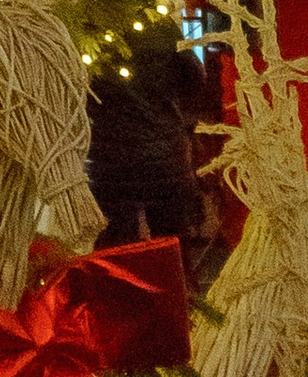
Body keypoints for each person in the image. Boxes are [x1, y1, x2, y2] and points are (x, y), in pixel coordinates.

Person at [87, 28, 215, 291]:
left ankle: (121, 311)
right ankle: (185, 311)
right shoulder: (158, 25)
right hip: (165, 153)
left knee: (116, 250)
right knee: (174, 246)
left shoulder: (90, 29)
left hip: (111, 158)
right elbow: (195, 77)